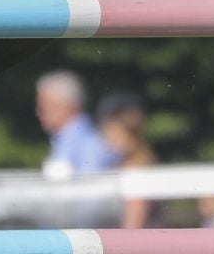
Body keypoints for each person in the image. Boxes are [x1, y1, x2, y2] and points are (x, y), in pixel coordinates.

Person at [36, 69, 120, 176]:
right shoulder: (68, 140)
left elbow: (91, 188)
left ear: (67, 105)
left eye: (44, 107)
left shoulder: (89, 144)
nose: (38, 112)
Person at [97, 91, 161, 227]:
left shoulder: (135, 167)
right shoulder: (138, 161)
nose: (104, 134)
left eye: (109, 127)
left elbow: (133, 226)